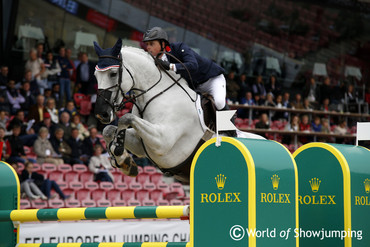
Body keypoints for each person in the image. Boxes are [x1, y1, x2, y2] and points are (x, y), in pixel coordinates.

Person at [143, 27, 226, 110]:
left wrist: (170, 66)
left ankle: (228, 121)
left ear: (163, 44)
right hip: (193, 87)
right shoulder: (152, 60)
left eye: (151, 44)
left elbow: (193, 66)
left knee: (219, 103)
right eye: (147, 44)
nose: (148, 47)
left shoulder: (179, 48)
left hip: (211, 80)